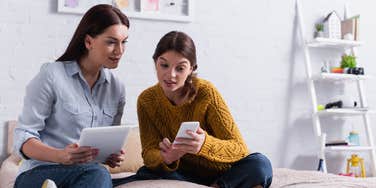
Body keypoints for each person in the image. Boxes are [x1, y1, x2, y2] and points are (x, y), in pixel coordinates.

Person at [114, 31, 273, 188]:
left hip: (221, 172)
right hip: (181, 172)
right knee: (143, 174)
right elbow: (149, 154)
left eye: (180, 68)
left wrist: (204, 144)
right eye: (164, 65)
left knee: (260, 164)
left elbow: (239, 148)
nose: (171, 75)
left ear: (191, 68)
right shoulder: (146, 100)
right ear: (155, 62)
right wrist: (166, 158)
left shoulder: (206, 92)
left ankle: (219, 185)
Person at [13, 4, 129, 188]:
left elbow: (106, 142)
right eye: (111, 42)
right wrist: (60, 155)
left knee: (98, 173)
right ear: (89, 42)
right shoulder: (52, 75)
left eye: (124, 42)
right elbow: (22, 138)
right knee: (98, 174)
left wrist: (111, 156)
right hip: (39, 172)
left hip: (86, 175)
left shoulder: (117, 88)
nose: (120, 50)